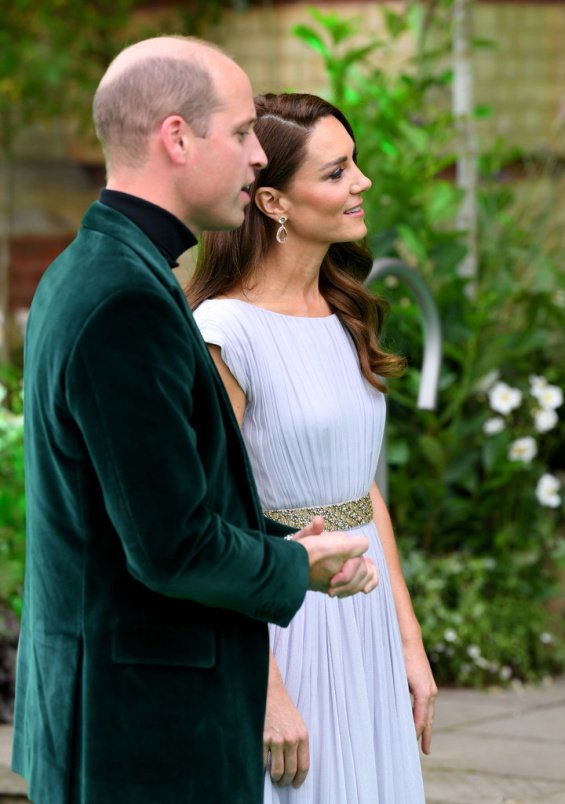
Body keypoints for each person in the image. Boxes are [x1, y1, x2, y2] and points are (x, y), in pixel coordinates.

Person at [11, 41, 378, 804]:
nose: (255, 158)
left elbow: (145, 506)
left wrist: (280, 541)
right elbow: (169, 547)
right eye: (243, 133)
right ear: (177, 138)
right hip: (139, 728)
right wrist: (295, 569)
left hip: (115, 704)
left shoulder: (103, 268)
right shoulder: (125, 298)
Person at [189, 92, 438, 803]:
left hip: (363, 615)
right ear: (271, 201)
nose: (360, 181)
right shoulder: (223, 332)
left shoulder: (343, 313)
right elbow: (215, 518)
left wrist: (408, 645)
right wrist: (266, 692)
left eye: (354, 163)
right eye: (335, 172)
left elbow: (361, 495)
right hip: (284, 625)